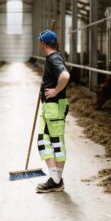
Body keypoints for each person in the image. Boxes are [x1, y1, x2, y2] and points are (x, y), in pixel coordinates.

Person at [36, 30, 70, 193]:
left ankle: (55, 180)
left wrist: (55, 91)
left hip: (54, 107)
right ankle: (57, 179)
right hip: (55, 107)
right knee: (55, 142)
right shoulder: (55, 57)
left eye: (39, 42)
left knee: (46, 141)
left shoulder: (54, 58)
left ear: (43, 43)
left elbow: (64, 75)